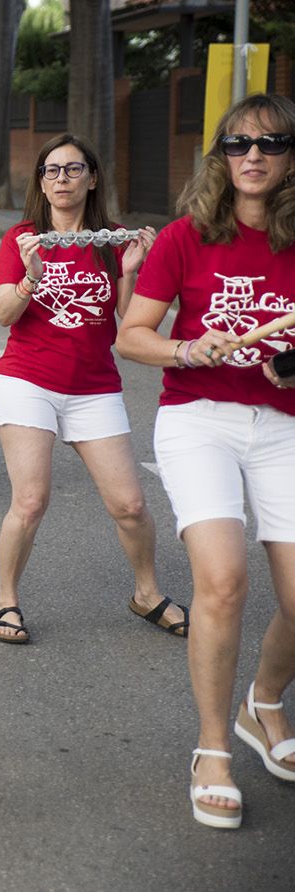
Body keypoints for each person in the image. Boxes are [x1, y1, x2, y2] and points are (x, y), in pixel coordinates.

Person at [116, 93, 295, 830]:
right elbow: (133, 335)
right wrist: (187, 348)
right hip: (199, 420)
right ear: (219, 157)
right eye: (237, 143)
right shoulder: (184, 238)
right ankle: (213, 747)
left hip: (282, 424)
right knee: (222, 581)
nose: (252, 155)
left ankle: (265, 704)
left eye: (270, 141)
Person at [0, 134, 181, 644]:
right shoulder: (23, 238)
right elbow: (4, 313)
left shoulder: (114, 240)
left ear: (92, 177)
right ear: (41, 183)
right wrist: (31, 277)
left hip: (94, 387)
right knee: (30, 500)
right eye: (51, 171)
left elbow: (127, 323)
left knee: (131, 505)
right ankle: (8, 600)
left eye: (73, 170)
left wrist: (132, 272)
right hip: (27, 380)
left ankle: (146, 593)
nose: (61, 180)